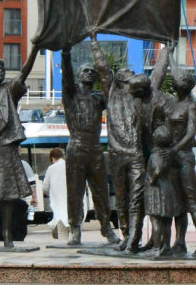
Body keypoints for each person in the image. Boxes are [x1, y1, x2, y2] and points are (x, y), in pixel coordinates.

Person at [90, 33, 170, 253]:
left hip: (136, 155)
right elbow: (103, 67)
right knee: (122, 198)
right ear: (119, 82)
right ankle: (126, 235)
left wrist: (165, 51)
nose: (129, 81)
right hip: (116, 156)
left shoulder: (141, 96)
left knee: (136, 197)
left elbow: (157, 75)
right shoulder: (111, 95)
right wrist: (94, 41)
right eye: (126, 79)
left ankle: (134, 237)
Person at [61, 46, 119, 245]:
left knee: (101, 190)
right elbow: (66, 76)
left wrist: (97, 52)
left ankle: (106, 228)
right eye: (85, 70)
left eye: (92, 71)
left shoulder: (98, 99)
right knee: (74, 191)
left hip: (95, 148)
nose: (89, 73)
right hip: (76, 146)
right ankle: (75, 229)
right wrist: (65, 54)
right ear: (78, 75)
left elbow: (109, 85)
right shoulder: (70, 95)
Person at [0, 44, 39, 247]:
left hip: (4, 148)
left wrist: (35, 49)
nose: (1, 71)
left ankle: (8, 236)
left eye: (3, 68)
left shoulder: (8, 90)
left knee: (7, 196)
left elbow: (24, 74)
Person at [165, 52, 196, 256]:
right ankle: (179, 242)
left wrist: (174, 149)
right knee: (177, 204)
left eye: (177, 82)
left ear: (184, 86)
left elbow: (191, 133)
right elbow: (174, 71)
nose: (174, 84)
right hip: (172, 158)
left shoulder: (193, 105)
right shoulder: (175, 102)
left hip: (184, 158)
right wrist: (169, 53)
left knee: (191, 202)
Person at [144, 125, 184, 257]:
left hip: (156, 190)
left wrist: (151, 179)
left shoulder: (156, 154)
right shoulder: (169, 154)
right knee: (167, 221)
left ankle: (156, 248)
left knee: (156, 220)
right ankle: (166, 246)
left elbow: (157, 170)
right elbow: (179, 163)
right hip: (168, 188)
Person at [0, 147, 38, 242]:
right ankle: (12, 238)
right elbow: (32, 183)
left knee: (1, 218)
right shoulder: (23, 164)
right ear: (19, 151)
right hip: (18, 200)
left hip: (1, 199)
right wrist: (34, 197)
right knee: (17, 226)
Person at [43, 148, 69, 240]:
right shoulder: (72, 166)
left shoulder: (51, 168)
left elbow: (45, 187)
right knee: (75, 233)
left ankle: (64, 252)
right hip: (75, 206)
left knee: (62, 232)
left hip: (59, 205)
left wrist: (51, 193)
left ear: (53, 158)